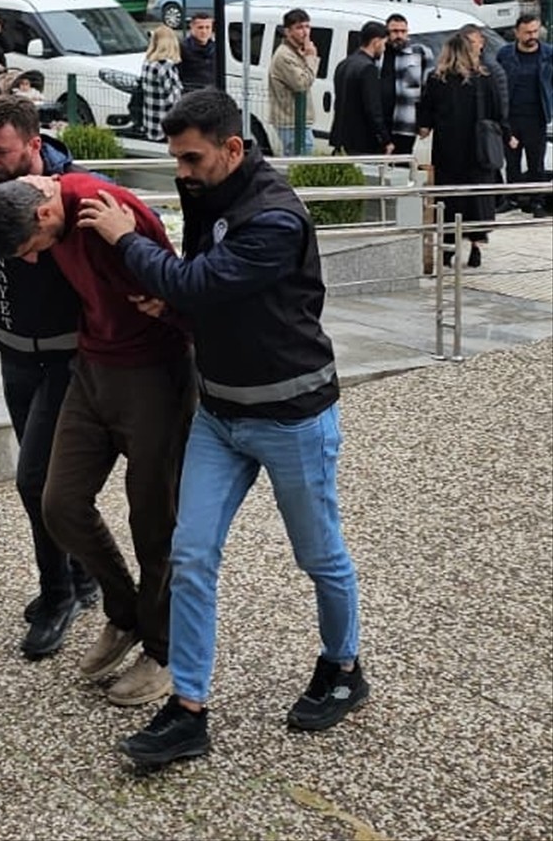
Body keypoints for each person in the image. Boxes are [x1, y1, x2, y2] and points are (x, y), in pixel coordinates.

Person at [76, 88, 366, 767]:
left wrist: (131, 248)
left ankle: (345, 668)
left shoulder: (274, 218)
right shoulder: (211, 196)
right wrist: (171, 306)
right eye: (175, 158)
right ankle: (189, 710)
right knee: (191, 554)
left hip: (292, 417)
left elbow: (204, 284)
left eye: (191, 158)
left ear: (232, 149)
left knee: (318, 556)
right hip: (221, 414)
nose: (180, 170)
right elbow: (208, 300)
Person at [0, 173, 195, 707]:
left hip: (153, 373)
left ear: (45, 217)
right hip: (92, 368)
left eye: (31, 250)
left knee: (153, 518)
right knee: (60, 502)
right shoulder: (42, 203)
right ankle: (125, 614)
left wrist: (154, 286)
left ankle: (165, 650)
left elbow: (174, 282)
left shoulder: (106, 212)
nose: (32, 262)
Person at [0, 96, 98, 659]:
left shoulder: (70, 185)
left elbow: (112, 208)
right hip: (14, 356)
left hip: (67, 362)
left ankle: (58, 592)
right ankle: (84, 574)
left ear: (34, 145)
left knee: (34, 481)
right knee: (49, 482)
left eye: (1, 152)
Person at [418, 26, 507, 267]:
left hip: (448, 152)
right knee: (477, 198)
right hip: (479, 152)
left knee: (449, 199)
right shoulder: (485, 79)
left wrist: (425, 127)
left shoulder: (437, 80)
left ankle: (448, 249)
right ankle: (477, 246)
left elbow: (425, 118)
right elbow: (498, 113)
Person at [496, 13, 552, 218]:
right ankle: (511, 199)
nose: (532, 36)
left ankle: (537, 202)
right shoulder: (505, 54)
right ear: (517, 33)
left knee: (535, 162)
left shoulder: (548, 54)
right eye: (527, 32)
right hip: (511, 116)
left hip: (536, 116)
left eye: (535, 31)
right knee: (511, 161)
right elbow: (498, 82)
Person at [330, 21, 394, 156]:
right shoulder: (368, 69)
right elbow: (373, 108)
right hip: (362, 140)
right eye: (383, 44)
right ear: (376, 42)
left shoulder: (344, 64)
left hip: (341, 136)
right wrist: (385, 139)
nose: (384, 49)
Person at [379, 13, 435, 154]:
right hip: (381, 124)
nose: (399, 35)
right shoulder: (379, 54)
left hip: (406, 122)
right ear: (387, 33)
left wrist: (425, 122)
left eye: (403, 31)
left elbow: (429, 90)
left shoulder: (420, 53)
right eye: (395, 31)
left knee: (402, 167)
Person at [267, 7, 318, 156]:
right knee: (300, 162)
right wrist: (311, 58)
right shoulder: (284, 55)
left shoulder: (297, 51)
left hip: (299, 119)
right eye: (299, 27)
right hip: (291, 121)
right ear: (287, 32)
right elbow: (302, 84)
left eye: (307, 26)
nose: (305, 32)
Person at [141, 26, 183, 142]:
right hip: (166, 127)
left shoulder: (148, 63)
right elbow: (173, 99)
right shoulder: (165, 66)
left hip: (151, 123)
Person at [179, 13, 216, 92]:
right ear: (192, 27)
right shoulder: (182, 48)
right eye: (200, 28)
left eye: (207, 27)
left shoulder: (216, 48)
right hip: (190, 94)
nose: (204, 31)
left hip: (211, 93)